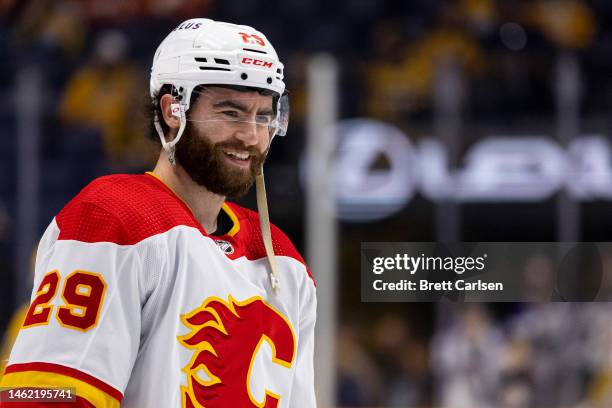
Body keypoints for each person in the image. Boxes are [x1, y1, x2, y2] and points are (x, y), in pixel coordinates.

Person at [0, 18, 317, 408]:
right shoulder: (113, 217)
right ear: (173, 110)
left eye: (263, 116)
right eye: (231, 113)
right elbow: (50, 398)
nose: (251, 136)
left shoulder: (285, 261)